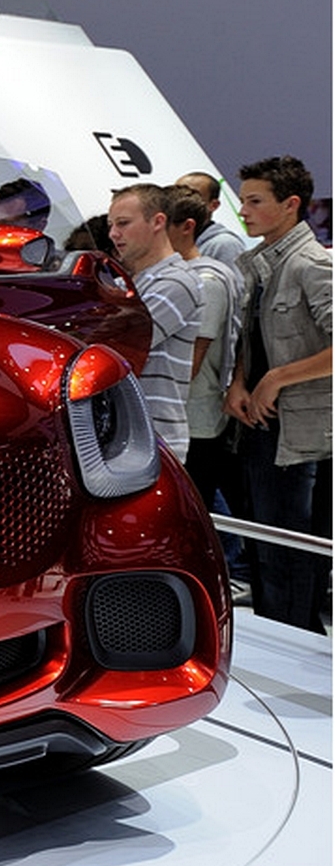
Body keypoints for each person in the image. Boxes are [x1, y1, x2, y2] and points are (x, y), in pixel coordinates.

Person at [223, 155, 331, 632]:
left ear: (290, 205)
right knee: (266, 544)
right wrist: (240, 381)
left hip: (300, 430)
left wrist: (276, 378)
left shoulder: (312, 264)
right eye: (243, 200)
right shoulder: (260, 264)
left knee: (291, 549)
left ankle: (296, 639)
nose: (244, 211)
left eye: (254, 201)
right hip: (260, 423)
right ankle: (278, 634)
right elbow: (252, 337)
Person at [167, 184, 250, 598]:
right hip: (185, 415)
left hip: (195, 419)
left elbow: (191, 362)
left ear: (185, 227)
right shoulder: (189, 276)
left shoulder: (207, 281)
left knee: (194, 510)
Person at [108, 183, 202, 460]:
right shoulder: (122, 285)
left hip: (152, 441)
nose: (113, 234)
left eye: (123, 223)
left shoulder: (177, 282)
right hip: (121, 437)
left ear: (158, 221)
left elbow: (118, 343)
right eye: (111, 225)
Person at [175, 171, 249, 266]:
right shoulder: (170, 239)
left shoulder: (225, 245)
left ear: (213, 205)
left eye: (191, 196)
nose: (180, 200)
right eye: (176, 193)